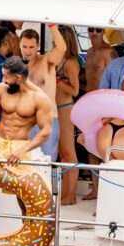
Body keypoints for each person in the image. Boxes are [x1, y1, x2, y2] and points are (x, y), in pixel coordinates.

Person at [0, 56, 54, 169]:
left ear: (18, 77)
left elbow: (46, 131)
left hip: (20, 148)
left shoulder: (40, 98)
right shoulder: (0, 89)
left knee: (16, 185)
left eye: (6, 76)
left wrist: (23, 150)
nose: (3, 80)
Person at [20, 24, 66, 159]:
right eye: (24, 47)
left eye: (31, 47)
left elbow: (62, 49)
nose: (28, 51)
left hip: (47, 120)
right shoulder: (17, 67)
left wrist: (51, 25)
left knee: (48, 164)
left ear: (38, 46)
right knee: (25, 167)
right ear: (19, 45)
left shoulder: (46, 60)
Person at [82, 27, 117, 199]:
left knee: (105, 147)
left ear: (103, 31)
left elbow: (117, 78)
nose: (94, 32)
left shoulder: (109, 52)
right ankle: (95, 189)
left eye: (98, 29)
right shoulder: (88, 53)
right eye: (91, 29)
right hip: (89, 103)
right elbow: (86, 77)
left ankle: (107, 190)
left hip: (104, 104)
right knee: (89, 145)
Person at [55, 26, 81, 204]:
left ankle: (70, 195)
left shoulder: (71, 63)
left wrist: (57, 81)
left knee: (69, 153)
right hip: (54, 109)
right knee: (62, 153)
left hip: (65, 108)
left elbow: (75, 90)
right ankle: (65, 194)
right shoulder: (57, 59)